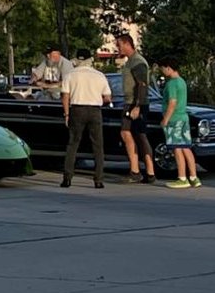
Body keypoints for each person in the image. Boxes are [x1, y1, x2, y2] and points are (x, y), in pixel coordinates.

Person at [59, 47, 109, 189]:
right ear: (90, 60)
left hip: (77, 109)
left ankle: (67, 178)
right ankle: (98, 179)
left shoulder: (70, 75)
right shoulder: (99, 75)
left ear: (76, 60)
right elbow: (107, 97)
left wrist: (66, 114)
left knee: (73, 144)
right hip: (94, 110)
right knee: (97, 145)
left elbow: (65, 96)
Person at [115, 31, 156, 183]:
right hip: (129, 102)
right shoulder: (129, 61)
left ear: (127, 44)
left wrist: (137, 106)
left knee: (140, 135)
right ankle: (136, 170)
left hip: (137, 103)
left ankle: (149, 171)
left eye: (119, 45)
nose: (118, 48)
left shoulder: (138, 62)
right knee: (127, 133)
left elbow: (142, 84)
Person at [158, 56, 201, 189]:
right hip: (183, 117)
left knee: (176, 148)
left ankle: (182, 177)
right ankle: (193, 177)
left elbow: (172, 102)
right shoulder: (181, 81)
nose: (162, 71)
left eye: (162, 69)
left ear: (168, 68)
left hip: (174, 119)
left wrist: (165, 119)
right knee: (186, 147)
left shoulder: (171, 84)